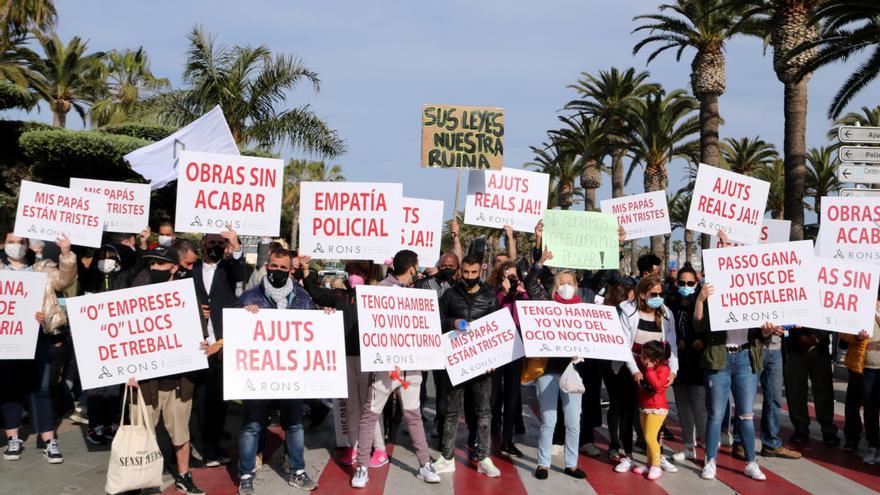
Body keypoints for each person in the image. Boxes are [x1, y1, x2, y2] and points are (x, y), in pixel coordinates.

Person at [351, 250, 440, 488]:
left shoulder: (417, 294)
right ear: (412, 268)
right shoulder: (380, 290)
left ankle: (424, 465)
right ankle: (362, 466)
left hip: (411, 368)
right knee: (370, 415)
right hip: (385, 368)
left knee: (413, 415)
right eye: (417, 268)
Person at [236, 248, 320, 494]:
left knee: (294, 424)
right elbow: (235, 332)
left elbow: (315, 334)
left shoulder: (304, 298)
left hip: (291, 375)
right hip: (257, 374)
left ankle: (297, 471)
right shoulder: (249, 297)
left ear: (291, 270)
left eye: (284, 268)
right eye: (274, 266)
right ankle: (246, 474)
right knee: (252, 425)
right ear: (266, 265)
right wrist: (244, 316)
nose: (278, 271)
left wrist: (324, 317)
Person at [129, 246, 204, 494]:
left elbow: (199, 333)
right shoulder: (135, 295)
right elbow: (123, 338)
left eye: (160, 265)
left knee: (181, 433)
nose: (154, 268)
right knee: (141, 434)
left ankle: (184, 476)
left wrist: (201, 343)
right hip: (145, 381)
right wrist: (127, 372)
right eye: (151, 264)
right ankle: (142, 482)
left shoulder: (186, 297)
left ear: (173, 267)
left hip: (178, 382)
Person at [301, 259, 388, 468]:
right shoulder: (339, 296)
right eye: (351, 271)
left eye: (359, 271)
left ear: (367, 275)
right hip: (344, 358)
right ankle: (353, 445)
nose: (353, 275)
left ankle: (380, 449)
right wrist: (307, 269)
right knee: (350, 407)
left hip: (369, 359)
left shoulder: (376, 297)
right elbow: (315, 292)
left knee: (370, 408)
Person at [1, 233, 76, 465]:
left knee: (41, 388)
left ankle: (48, 440)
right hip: (6, 337)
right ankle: (13, 438)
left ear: (29, 245)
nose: (17, 246)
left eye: (21, 242)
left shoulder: (41, 269)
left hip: (37, 337)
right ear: (4, 245)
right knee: (8, 388)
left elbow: (64, 280)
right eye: (12, 242)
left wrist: (65, 252)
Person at [693, 282, 774, 481]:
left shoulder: (755, 293)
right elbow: (698, 324)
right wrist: (701, 299)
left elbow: (763, 334)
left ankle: (751, 462)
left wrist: (766, 331)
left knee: (746, 414)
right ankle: (710, 461)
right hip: (719, 357)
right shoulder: (712, 291)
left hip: (745, 358)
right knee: (715, 415)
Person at [432, 254, 503, 478]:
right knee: (450, 411)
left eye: (474, 273)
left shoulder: (490, 297)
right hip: (456, 363)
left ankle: (484, 458)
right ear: (460, 271)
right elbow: (437, 320)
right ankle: (446, 457)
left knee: (484, 412)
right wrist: (453, 323)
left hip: (482, 366)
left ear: (480, 271)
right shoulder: (450, 295)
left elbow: (497, 330)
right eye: (466, 272)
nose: (469, 277)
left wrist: (493, 361)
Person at [522, 249, 587, 481]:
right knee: (549, 420)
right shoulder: (546, 304)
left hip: (572, 371)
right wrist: (539, 262)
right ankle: (543, 463)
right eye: (562, 282)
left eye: (570, 283)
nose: (566, 286)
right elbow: (530, 283)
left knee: (573, 422)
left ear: (576, 286)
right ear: (555, 285)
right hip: (548, 370)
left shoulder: (584, 309)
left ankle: (571, 464)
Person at [192, 226, 248, 467]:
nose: (214, 247)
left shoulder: (229, 269)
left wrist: (235, 244)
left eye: (219, 243)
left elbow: (241, 271)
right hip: (198, 342)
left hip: (222, 342)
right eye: (210, 243)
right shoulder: (191, 270)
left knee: (219, 397)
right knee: (200, 398)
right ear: (202, 244)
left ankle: (212, 443)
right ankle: (205, 445)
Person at [613, 274, 678, 474]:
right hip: (631, 366)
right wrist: (635, 372)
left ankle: (656, 456)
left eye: (660, 293)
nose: (658, 297)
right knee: (628, 411)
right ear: (642, 294)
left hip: (656, 369)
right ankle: (627, 456)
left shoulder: (666, 314)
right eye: (653, 294)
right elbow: (623, 345)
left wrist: (673, 370)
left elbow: (672, 344)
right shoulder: (628, 311)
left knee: (655, 412)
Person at [80, 244, 136, 445]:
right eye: (102, 256)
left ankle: (113, 423)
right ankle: (95, 426)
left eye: (111, 256)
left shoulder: (126, 277)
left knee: (113, 387)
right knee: (95, 387)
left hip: (117, 340)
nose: (106, 260)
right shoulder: (89, 277)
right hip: (92, 340)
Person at [667, 263, 706, 461]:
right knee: (682, 406)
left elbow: (709, 327)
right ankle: (689, 446)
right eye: (682, 282)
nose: (686, 285)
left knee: (700, 406)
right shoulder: (670, 303)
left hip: (698, 362)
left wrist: (701, 340)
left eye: (690, 282)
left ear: (697, 283)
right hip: (678, 362)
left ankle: (708, 449)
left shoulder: (703, 302)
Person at [487, 260, 526, 457]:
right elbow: (490, 311)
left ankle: (508, 440)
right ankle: (491, 428)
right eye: (508, 275)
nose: (512, 279)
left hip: (516, 350)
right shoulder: (493, 292)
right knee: (493, 395)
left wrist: (520, 292)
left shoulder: (523, 294)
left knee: (512, 396)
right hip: (496, 349)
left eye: (514, 276)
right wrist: (502, 291)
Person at [784, 325, 839, 444]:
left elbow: (831, 313)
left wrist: (819, 335)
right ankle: (800, 428)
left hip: (820, 347)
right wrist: (798, 337)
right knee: (795, 389)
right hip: (795, 346)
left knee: (824, 389)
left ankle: (827, 428)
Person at [632, 340, 673, 481]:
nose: (641, 359)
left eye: (644, 357)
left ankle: (656, 465)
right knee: (646, 437)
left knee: (650, 438)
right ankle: (649, 464)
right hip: (645, 406)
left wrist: (649, 370)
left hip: (657, 408)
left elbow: (656, 385)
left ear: (655, 360)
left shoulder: (663, 369)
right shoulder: (648, 366)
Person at [840, 325, 870, 453]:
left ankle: (873, 441)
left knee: (873, 407)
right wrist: (856, 337)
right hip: (857, 365)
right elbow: (842, 330)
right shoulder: (859, 304)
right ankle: (852, 437)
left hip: (876, 365)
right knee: (853, 404)